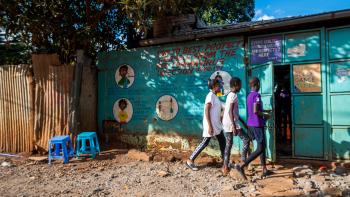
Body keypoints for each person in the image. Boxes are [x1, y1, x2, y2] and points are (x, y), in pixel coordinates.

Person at [235, 77, 271, 180]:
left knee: (261, 145)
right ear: (257, 84)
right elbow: (255, 111)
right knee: (260, 148)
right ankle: (242, 165)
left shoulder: (249, 96)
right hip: (257, 124)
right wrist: (265, 115)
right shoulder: (256, 95)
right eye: (259, 84)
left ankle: (264, 169)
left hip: (251, 124)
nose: (259, 86)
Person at [186, 79, 226, 171]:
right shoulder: (210, 96)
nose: (220, 87)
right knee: (205, 142)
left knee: (222, 141)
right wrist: (210, 126)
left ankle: (225, 161)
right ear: (214, 86)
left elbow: (217, 110)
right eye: (219, 85)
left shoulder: (215, 96)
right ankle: (190, 160)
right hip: (211, 125)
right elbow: (206, 110)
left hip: (217, 125)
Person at [222, 77, 251, 175]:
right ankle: (243, 162)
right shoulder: (234, 96)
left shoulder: (230, 95)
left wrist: (243, 122)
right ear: (236, 85)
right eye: (240, 84)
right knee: (246, 139)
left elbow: (234, 113)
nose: (241, 86)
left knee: (228, 145)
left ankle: (225, 167)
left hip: (227, 123)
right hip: (231, 123)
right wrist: (234, 126)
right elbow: (230, 111)